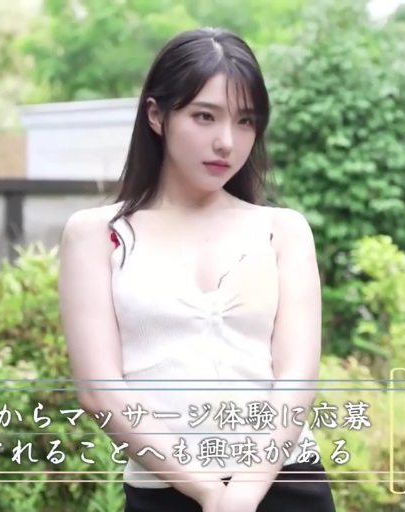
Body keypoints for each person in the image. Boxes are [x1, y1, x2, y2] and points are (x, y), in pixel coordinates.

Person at [57, 27, 337, 512]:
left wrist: (243, 493)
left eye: (245, 121)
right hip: (164, 492)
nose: (226, 142)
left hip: (286, 486)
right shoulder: (97, 235)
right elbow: (100, 392)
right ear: (156, 115)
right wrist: (208, 490)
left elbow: (296, 377)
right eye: (204, 116)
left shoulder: (282, 230)